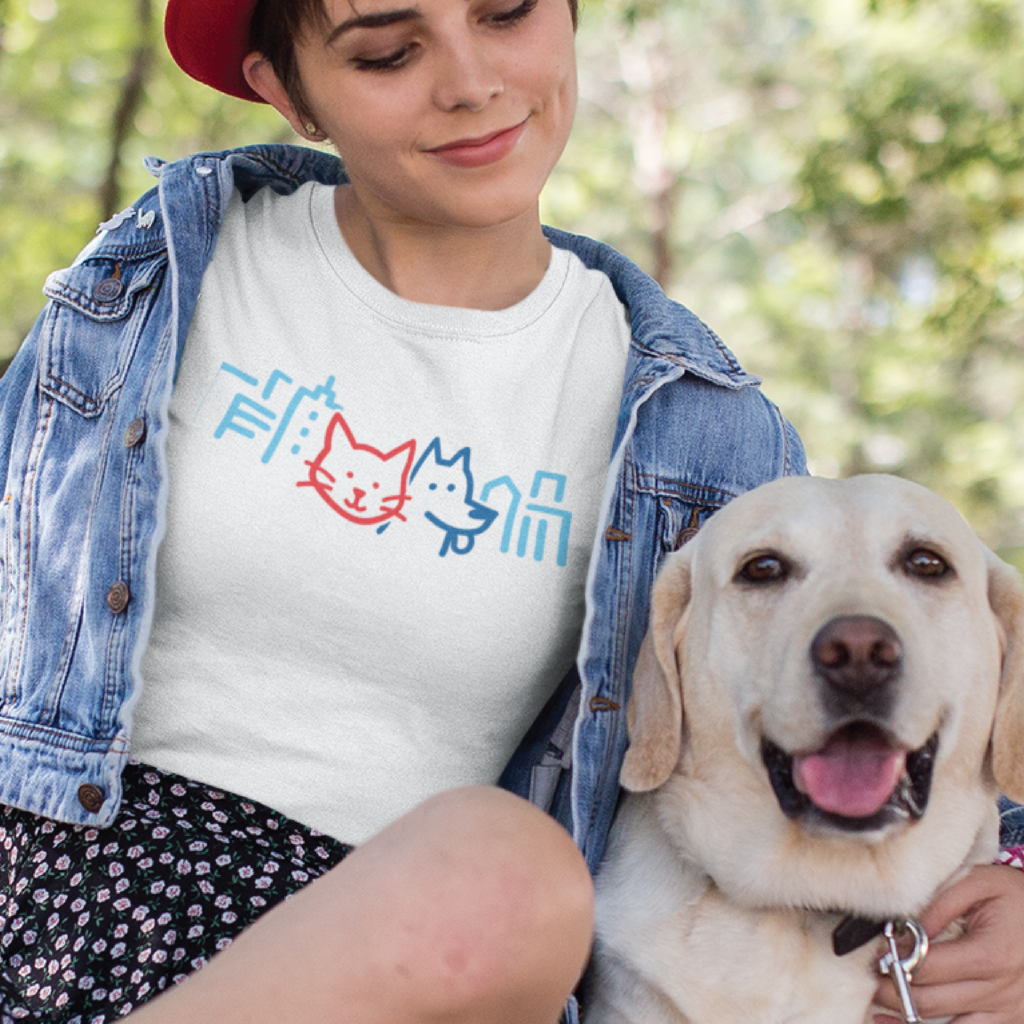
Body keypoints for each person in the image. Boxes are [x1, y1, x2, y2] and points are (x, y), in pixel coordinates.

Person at [0, 1, 1017, 1022]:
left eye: (506, 12)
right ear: (287, 92)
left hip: (434, 955)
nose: (471, 83)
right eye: (387, 52)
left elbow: (862, 697)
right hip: (49, 881)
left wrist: (1013, 875)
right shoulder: (161, 271)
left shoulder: (703, 431)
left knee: (512, 868)